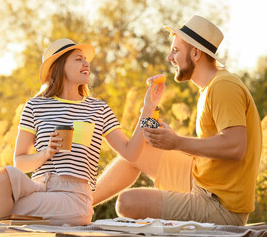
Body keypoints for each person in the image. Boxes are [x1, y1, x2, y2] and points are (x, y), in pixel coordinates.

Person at [0, 38, 164, 226]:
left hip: (73, 197)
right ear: (59, 66)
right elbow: (20, 162)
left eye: (85, 59)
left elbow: (130, 153)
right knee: (7, 175)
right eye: (78, 59)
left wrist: (148, 108)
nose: (86, 63)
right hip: (37, 189)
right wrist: (46, 153)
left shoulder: (98, 109)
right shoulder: (35, 106)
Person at [92, 15, 262, 226]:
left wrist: (177, 142)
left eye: (175, 50)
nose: (169, 57)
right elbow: (215, 147)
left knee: (128, 202)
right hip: (202, 179)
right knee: (138, 151)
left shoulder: (223, 87)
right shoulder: (210, 87)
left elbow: (236, 146)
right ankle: (80, 205)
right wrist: (151, 110)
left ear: (196, 53)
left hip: (221, 205)